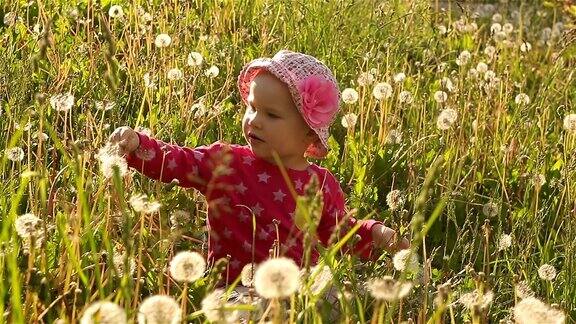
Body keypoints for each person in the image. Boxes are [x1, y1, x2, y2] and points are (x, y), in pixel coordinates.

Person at [108, 50, 409, 286]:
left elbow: (341, 232)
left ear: (308, 133)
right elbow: (180, 162)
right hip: (235, 287)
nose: (255, 120)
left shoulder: (321, 184)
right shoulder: (226, 162)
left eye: (272, 114)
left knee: (330, 296)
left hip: (300, 288)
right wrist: (139, 145)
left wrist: (378, 233)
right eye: (252, 107)